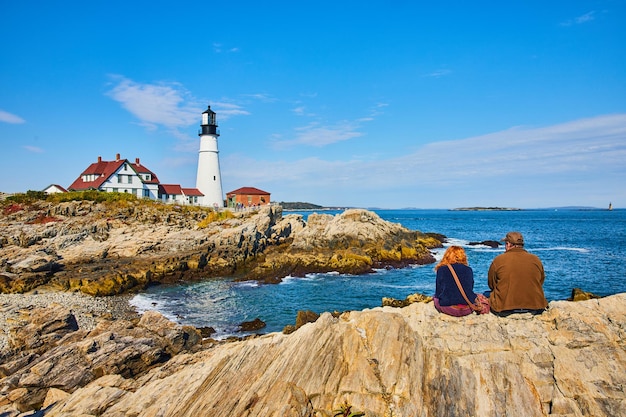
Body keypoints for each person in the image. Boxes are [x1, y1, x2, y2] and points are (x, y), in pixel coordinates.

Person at [488, 231, 548, 316]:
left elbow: (492, 284)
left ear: (508, 244)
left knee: (487, 294)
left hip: (504, 308)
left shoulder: (498, 260)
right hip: (535, 307)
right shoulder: (536, 259)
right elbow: (540, 281)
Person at [433, 246, 487, 317]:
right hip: (467, 308)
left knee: (435, 298)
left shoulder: (442, 269)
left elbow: (438, 291)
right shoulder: (468, 270)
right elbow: (470, 287)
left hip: (449, 308)